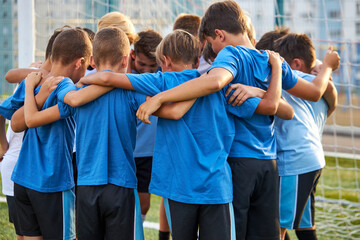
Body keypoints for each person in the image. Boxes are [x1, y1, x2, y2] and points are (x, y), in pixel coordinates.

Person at [131, 1, 340, 239]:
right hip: (269, 164)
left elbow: (214, 82)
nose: (211, 53)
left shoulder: (231, 54)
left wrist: (159, 98)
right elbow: (313, 94)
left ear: (219, 35)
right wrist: (328, 67)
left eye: (210, 44)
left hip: (238, 163)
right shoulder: (273, 60)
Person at [79, 28, 289, 240]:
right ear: (197, 61)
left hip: (177, 188)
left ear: (165, 61)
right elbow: (284, 111)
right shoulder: (223, 89)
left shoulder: (161, 82)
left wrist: (82, 82)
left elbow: (109, 78)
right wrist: (259, 90)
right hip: (216, 187)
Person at [6, 28, 92, 240]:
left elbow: (16, 123)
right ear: (80, 62)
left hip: (23, 180)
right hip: (52, 183)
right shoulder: (67, 89)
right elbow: (24, 122)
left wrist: (32, 92)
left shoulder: (33, 81)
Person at [272, 33, 337, 240]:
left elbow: (319, 88)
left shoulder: (292, 78)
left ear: (295, 64)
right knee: (303, 225)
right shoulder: (319, 82)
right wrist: (324, 70)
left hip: (296, 162)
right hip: (311, 161)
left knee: (278, 228)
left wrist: (325, 68)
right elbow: (329, 93)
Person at [129, 28, 163, 224]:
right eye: (142, 64)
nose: (147, 71)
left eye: (153, 66)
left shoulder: (162, 76)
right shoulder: (122, 75)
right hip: (125, 151)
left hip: (148, 153)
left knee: (143, 204)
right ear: (132, 55)